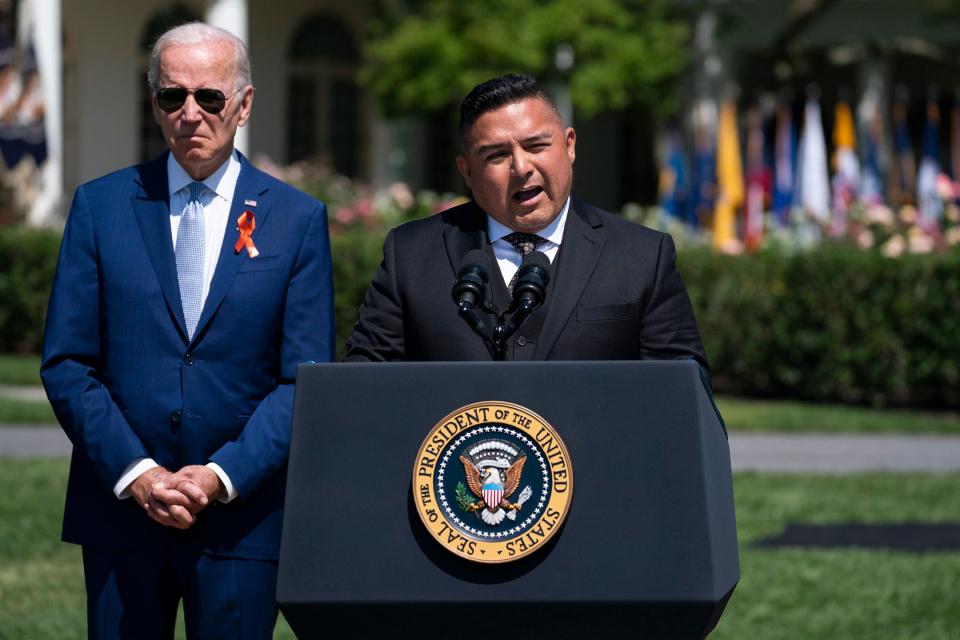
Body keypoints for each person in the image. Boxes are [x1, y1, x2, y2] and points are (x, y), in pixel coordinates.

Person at [41, 22, 333, 639]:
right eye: (173, 97)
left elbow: (302, 378)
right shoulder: (100, 207)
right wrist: (137, 473)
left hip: (242, 517)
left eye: (210, 97)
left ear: (244, 105)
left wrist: (221, 476)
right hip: (122, 514)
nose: (191, 113)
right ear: (156, 105)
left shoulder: (297, 220)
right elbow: (68, 363)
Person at [345, 73, 706, 367]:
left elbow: (682, 395)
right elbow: (364, 385)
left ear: (569, 146)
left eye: (536, 146)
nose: (521, 168)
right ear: (467, 172)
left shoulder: (642, 257)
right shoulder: (410, 255)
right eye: (498, 155)